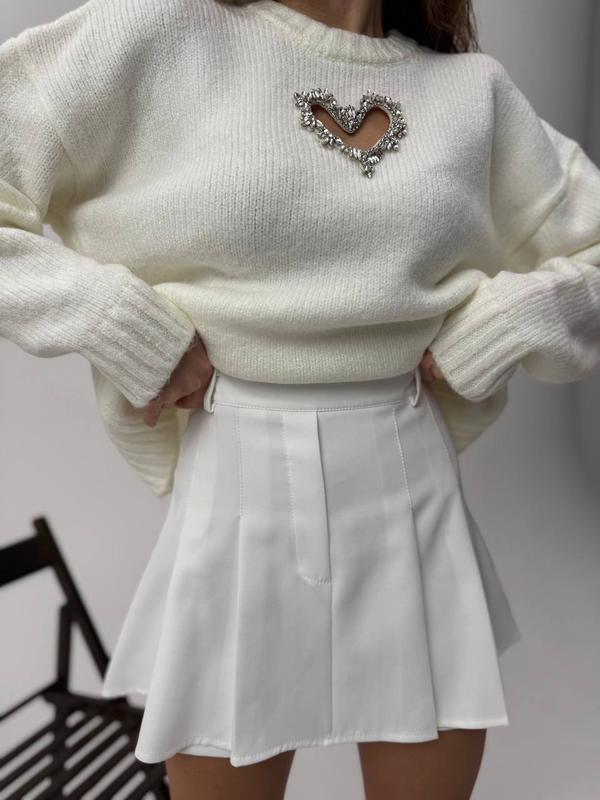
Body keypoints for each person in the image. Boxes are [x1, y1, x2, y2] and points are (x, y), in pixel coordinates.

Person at [1, 0, 599, 797]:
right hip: (235, 481)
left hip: (412, 483)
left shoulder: (472, 93)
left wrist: (506, 324)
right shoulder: (157, 34)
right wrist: (118, 323)